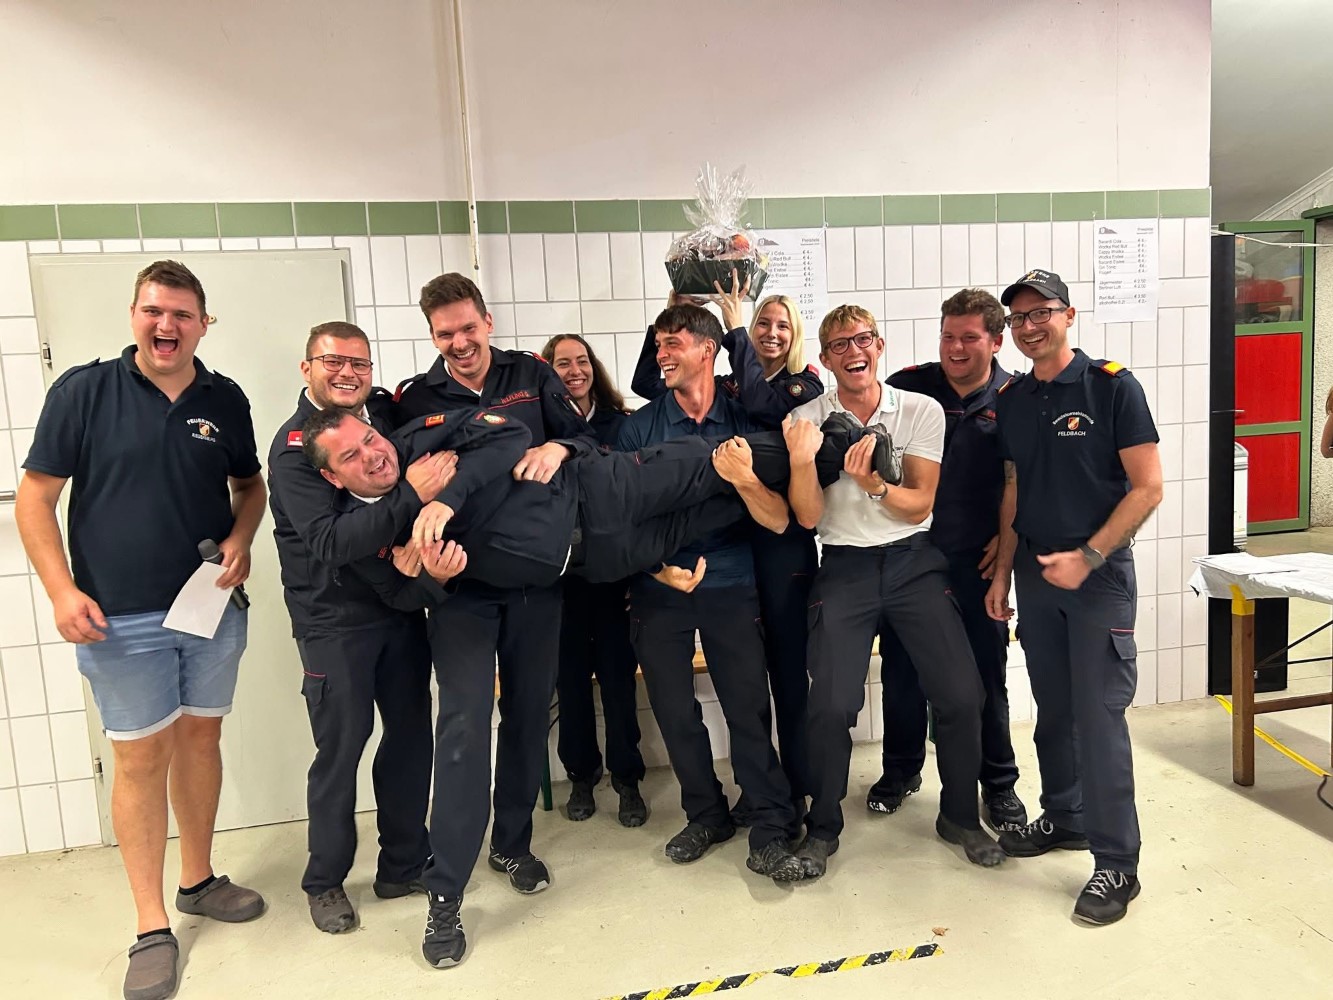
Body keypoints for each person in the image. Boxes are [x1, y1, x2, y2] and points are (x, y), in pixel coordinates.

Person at [298, 398, 865, 966]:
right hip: (578, 562)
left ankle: (843, 443)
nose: (372, 455)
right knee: (464, 738)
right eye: (351, 457)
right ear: (333, 477)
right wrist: (433, 579)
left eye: (368, 440)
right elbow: (399, 594)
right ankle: (445, 899)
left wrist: (447, 496)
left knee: (715, 468)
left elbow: (507, 436)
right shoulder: (362, 532)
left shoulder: (418, 440)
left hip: (597, 491)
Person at [15, 261, 268, 1000]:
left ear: (203, 324)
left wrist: (241, 536)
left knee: (201, 740)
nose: (167, 325)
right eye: (155, 310)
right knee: (138, 760)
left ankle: (198, 879)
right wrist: (61, 591)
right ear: (134, 315)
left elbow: (249, 485)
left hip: (208, 608)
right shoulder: (84, 392)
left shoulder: (225, 398)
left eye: (183, 314)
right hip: (118, 617)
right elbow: (34, 498)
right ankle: (152, 926)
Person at [389, 273, 590, 917]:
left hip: (534, 584)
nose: (460, 342)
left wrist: (559, 446)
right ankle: (447, 877)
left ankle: (511, 843)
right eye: (445, 333)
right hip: (460, 590)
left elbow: (589, 439)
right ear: (432, 335)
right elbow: (395, 481)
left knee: (528, 717)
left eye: (468, 328)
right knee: (464, 726)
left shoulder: (532, 374)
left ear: (488, 322)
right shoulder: (414, 398)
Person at [784, 303, 1004, 878]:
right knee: (831, 705)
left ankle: (959, 816)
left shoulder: (919, 410)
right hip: (845, 566)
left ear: (879, 346)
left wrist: (874, 483)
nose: (853, 352)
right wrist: (803, 462)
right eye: (839, 345)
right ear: (825, 358)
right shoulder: (804, 419)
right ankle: (823, 827)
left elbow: (920, 505)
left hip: (914, 563)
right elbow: (807, 517)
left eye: (862, 340)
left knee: (962, 695)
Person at [985, 269, 1163, 926]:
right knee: (1054, 713)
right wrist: (1003, 574)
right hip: (1036, 575)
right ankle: (1065, 817)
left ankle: (1117, 862)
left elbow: (1147, 487)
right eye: (1018, 318)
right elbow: (1013, 487)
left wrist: (1088, 556)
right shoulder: (1013, 398)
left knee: (1098, 719)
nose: (1029, 326)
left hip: (1097, 578)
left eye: (1042, 312)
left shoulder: (1112, 387)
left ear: (1069, 315)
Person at [266, 321, 452, 934]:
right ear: (307, 368)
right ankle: (324, 881)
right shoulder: (294, 449)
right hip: (334, 621)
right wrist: (410, 498)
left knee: (410, 739)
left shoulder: (379, 419)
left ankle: (403, 863)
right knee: (341, 749)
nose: (348, 373)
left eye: (360, 363)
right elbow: (331, 540)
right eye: (333, 362)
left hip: (399, 607)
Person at [617, 302, 805, 883]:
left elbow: (779, 519)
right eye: (658, 345)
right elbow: (618, 520)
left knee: (747, 706)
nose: (661, 354)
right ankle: (706, 816)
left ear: (708, 349)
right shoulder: (639, 428)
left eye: (672, 343)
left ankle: (770, 823)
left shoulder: (748, 419)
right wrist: (657, 570)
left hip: (731, 579)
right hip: (659, 586)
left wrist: (744, 477)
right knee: (675, 711)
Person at [870, 289, 1028, 832]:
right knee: (902, 671)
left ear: (996, 341)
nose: (956, 348)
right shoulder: (909, 387)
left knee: (985, 676)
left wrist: (1006, 544)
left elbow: (1023, 480)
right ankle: (900, 771)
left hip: (976, 564)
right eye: (947, 336)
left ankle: (998, 784)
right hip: (910, 559)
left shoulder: (1016, 397)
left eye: (969, 338)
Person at [541, 334, 647, 827]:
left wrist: (636, 574)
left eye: (581, 361)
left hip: (612, 580)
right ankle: (581, 776)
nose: (574, 371)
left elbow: (638, 502)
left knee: (619, 683)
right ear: (548, 373)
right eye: (562, 363)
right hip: (559, 583)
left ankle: (627, 780)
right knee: (570, 684)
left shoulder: (620, 426)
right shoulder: (538, 431)